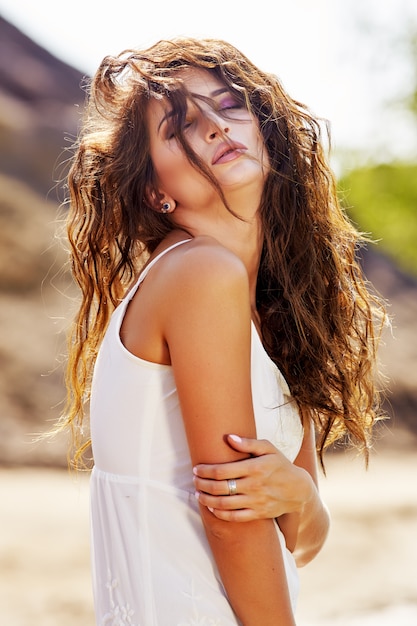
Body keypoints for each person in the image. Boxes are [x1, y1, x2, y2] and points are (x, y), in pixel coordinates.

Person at [59, 37, 387, 625]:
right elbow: (232, 519)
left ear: (265, 127)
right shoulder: (198, 274)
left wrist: (300, 493)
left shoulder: (271, 311)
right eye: (179, 123)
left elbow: (303, 538)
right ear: (156, 191)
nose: (213, 125)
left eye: (229, 104)